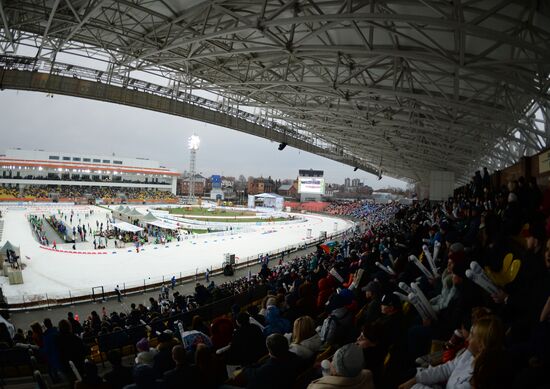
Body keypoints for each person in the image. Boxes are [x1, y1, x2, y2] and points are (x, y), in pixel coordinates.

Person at [398, 316, 506, 389]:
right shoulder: (470, 354)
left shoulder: (477, 379)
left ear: (481, 345)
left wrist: (415, 386)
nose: (468, 339)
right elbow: (447, 368)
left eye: (472, 335)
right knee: (407, 374)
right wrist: (416, 379)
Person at [307, 343, 375, 389]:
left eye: (333, 360)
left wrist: (327, 375)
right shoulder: (367, 374)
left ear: (337, 371)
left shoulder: (318, 387)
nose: (331, 362)